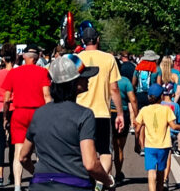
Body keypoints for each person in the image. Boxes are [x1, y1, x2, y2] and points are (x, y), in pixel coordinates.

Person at [20, 54, 114, 191]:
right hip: (76, 185)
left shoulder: (39, 114)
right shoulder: (84, 115)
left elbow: (23, 157)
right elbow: (90, 164)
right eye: (84, 76)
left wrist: (38, 174)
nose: (88, 79)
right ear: (74, 83)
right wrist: (108, 181)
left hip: (40, 185)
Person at [76, 27, 124, 177]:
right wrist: (120, 113)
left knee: (81, 149)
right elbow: (114, 88)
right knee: (104, 150)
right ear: (98, 39)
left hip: (79, 112)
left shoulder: (76, 59)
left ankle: (85, 178)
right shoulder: (108, 58)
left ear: (82, 41)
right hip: (102, 111)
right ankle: (101, 180)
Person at [3, 44, 51, 191]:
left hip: (19, 112)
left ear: (24, 56)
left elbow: (6, 98)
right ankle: (39, 181)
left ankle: (17, 185)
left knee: (18, 150)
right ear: (37, 58)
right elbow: (46, 95)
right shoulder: (43, 72)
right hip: (38, 113)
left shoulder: (13, 73)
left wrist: (5, 116)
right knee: (39, 150)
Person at [135, 84, 180, 191]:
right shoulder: (166, 110)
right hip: (164, 146)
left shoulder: (144, 110)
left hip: (150, 146)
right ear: (161, 97)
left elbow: (137, 129)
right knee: (160, 172)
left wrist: (137, 143)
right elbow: (173, 126)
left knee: (151, 171)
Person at [0, 43, 16, 187]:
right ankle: (13, 173)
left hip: (0, 108)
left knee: (1, 143)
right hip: (14, 108)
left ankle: (0, 175)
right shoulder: (18, 73)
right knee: (13, 142)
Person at [111, 62, 138, 184]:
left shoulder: (104, 79)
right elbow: (132, 99)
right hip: (123, 114)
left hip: (106, 114)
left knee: (104, 148)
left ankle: (105, 174)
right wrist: (137, 116)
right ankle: (118, 173)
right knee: (119, 148)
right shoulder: (125, 81)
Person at [160, 83, 180, 188]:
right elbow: (178, 121)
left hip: (159, 133)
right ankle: (165, 179)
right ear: (172, 93)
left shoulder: (160, 104)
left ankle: (159, 177)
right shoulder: (175, 106)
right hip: (171, 133)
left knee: (159, 156)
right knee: (168, 157)